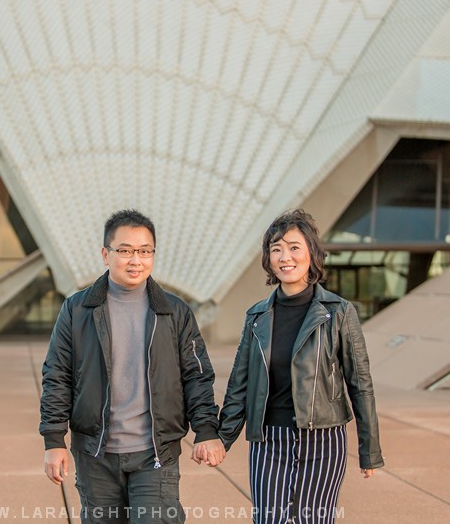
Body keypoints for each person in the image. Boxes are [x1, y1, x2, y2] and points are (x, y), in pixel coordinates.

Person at [40, 209, 226, 524]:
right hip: (95, 454)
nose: (135, 260)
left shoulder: (174, 312)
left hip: (155, 452)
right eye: (125, 251)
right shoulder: (77, 310)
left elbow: (197, 377)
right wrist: (54, 440)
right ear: (105, 254)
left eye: (144, 251)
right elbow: (57, 375)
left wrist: (206, 430)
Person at [203, 209, 384, 524]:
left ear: (311, 253)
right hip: (269, 440)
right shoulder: (257, 316)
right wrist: (223, 438)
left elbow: (360, 383)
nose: (284, 256)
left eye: (294, 247)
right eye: (276, 249)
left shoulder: (339, 312)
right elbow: (239, 384)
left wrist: (369, 449)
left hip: (323, 440)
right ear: (269, 259)